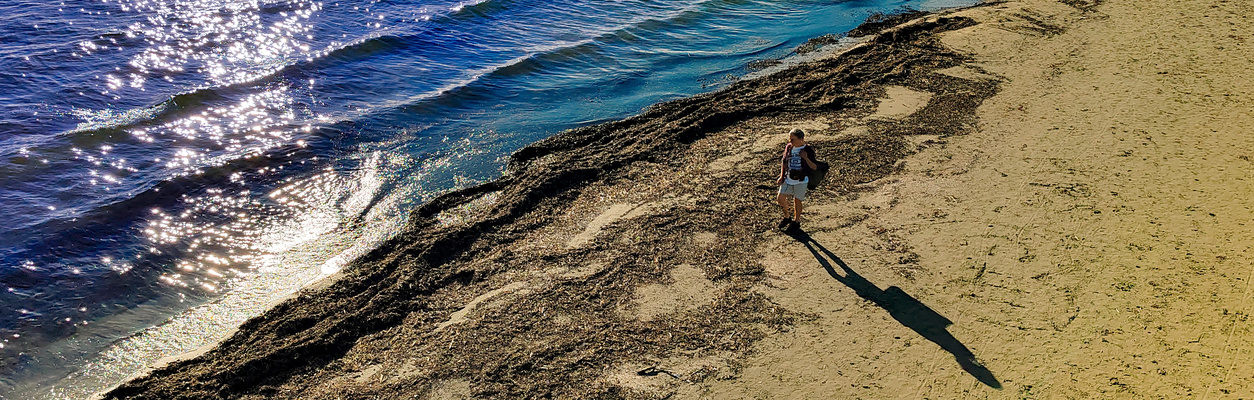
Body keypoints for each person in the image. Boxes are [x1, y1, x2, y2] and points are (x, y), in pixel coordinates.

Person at [776, 128, 818, 231]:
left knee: (797, 201)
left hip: (801, 180)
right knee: (780, 199)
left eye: (793, 139)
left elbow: (814, 167)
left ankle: (797, 221)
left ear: (801, 139)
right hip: (788, 178)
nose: (790, 142)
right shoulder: (789, 148)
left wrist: (805, 158)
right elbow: (784, 161)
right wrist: (782, 176)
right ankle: (787, 217)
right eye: (790, 139)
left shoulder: (808, 150)